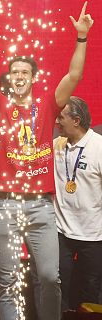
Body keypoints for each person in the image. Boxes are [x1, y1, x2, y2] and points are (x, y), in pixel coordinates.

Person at [0, 0, 93, 319]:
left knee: (51, 277)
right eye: (15, 72)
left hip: (41, 206)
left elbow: (74, 75)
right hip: (5, 204)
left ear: (34, 77)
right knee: (8, 281)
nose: (20, 76)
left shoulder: (48, 105)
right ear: (10, 79)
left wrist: (81, 37)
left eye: (26, 71)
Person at [53, 97, 102, 311]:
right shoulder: (56, 145)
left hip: (93, 235)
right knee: (57, 286)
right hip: (61, 232)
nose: (56, 121)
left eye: (61, 117)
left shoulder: (99, 147)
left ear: (76, 120)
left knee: (91, 291)